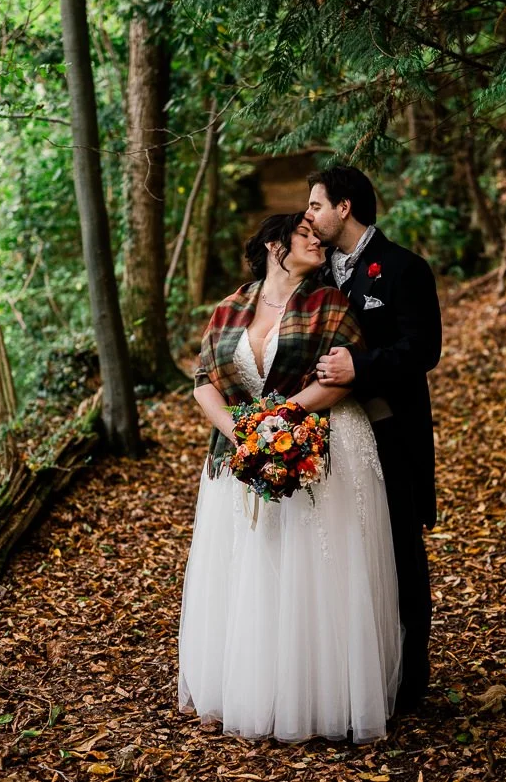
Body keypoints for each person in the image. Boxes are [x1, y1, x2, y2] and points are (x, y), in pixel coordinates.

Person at [177, 213, 402, 743]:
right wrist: (240, 431)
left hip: (310, 442)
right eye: (305, 235)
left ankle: (319, 694)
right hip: (242, 453)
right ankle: (260, 686)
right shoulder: (233, 307)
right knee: (256, 570)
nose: (317, 240)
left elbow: (338, 380)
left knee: (312, 572)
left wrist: (278, 419)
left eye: (318, 235)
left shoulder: (329, 304)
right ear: (276, 246)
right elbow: (203, 381)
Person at [308, 166, 442, 713]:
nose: (309, 216)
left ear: (344, 207)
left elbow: (423, 350)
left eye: (316, 205)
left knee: (401, 553)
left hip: (390, 433)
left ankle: (409, 683)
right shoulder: (313, 277)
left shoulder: (406, 268)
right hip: (329, 440)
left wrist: (359, 367)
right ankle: (351, 676)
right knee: (344, 555)